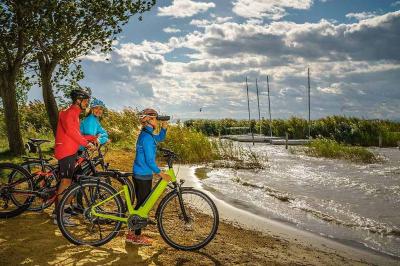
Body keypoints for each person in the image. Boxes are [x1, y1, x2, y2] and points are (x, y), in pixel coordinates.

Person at [125, 108, 171, 245]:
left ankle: (132, 232)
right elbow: (150, 161)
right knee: (142, 205)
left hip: (139, 172)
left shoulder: (146, 133)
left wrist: (163, 128)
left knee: (140, 203)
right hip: (143, 174)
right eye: (156, 118)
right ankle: (135, 237)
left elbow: (159, 138)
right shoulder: (146, 137)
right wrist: (161, 174)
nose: (157, 120)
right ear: (150, 120)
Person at [53, 88, 97, 226]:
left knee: (71, 182)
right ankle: (58, 216)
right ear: (78, 100)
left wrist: (92, 138)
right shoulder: (69, 113)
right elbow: (71, 132)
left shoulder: (75, 114)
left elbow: (76, 133)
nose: (87, 104)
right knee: (66, 181)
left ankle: (63, 210)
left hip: (70, 150)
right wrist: (86, 143)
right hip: (66, 151)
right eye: (85, 101)